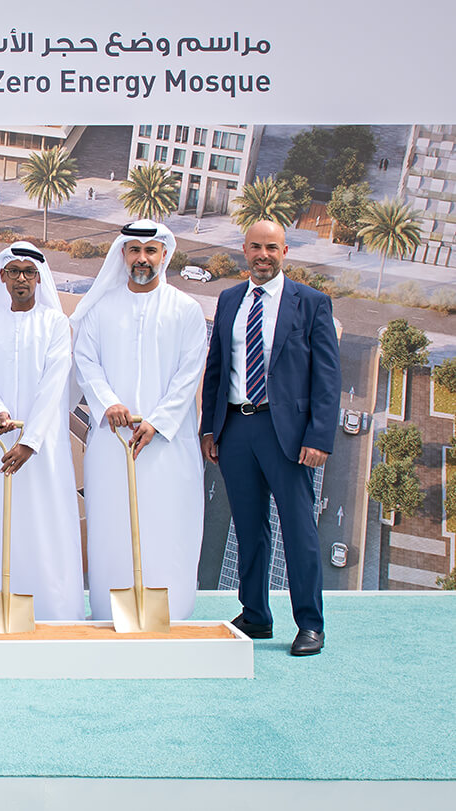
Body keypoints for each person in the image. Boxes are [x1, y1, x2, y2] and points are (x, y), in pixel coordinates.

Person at [201, 220, 341, 656]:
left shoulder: (312, 303)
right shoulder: (228, 300)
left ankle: (310, 624)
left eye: (272, 248)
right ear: (245, 250)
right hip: (238, 429)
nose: (263, 255)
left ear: (285, 252)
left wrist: (319, 437)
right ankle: (257, 616)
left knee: (298, 531)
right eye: (256, 247)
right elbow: (217, 368)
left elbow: (328, 378)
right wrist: (210, 426)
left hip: (289, 434)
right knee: (249, 529)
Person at [73, 221, 207, 622]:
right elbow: (86, 362)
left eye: (151, 251)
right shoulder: (101, 309)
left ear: (164, 255)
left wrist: (159, 421)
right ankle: (111, 614)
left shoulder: (186, 309)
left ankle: (171, 614)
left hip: (169, 447)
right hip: (114, 446)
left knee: (168, 531)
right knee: (113, 532)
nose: (142, 259)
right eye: (134, 250)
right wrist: (109, 403)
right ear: (123, 255)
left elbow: (189, 371)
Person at [0, 242, 84, 620]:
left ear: (39, 277)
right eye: (13, 272)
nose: (20, 279)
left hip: (43, 447)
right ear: (1, 277)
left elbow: (54, 386)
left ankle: (54, 612)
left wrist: (30, 441)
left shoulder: (54, 325)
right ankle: (0, 609)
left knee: (46, 523)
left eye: (28, 272)